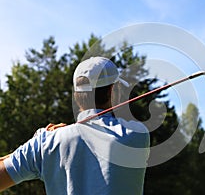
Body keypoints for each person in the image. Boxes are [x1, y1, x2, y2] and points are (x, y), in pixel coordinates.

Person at [0, 56, 150, 194]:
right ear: (112, 91)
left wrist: (37, 143)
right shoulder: (137, 134)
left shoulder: (46, 142)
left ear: (76, 95)